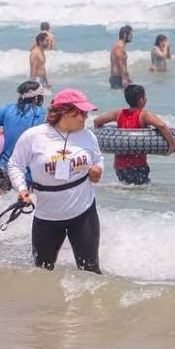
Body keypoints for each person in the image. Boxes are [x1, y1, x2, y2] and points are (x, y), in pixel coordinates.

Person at [8, 88, 104, 274]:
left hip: (83, 213)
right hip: (47, 217)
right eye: (82, 113)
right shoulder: (33, 136)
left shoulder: (87, 136)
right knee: (42, 272)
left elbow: (98, 159)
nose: (86, 118)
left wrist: (98, 171)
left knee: (90, 271)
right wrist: (21, 189)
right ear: (65, 112)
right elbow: (15, 165)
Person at [0, 81, 48, 194]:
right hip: (27, 170)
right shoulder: (42, 114)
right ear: (37, 99)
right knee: (27, 204)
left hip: (3, 166)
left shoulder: (8, 109)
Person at [93, 84, 175, 185]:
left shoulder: (119, 113)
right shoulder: (143, 115)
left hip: (119, 166)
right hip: (138, 166)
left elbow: (97, 121)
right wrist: (172, 145)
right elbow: (161, 126)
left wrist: (103, 137)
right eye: (145, 96)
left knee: (126, 190)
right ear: (141, 99)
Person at [110, 25, 133, 89]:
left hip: (118, 77)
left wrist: (127, 76)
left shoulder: (119, 45)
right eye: (130, 34)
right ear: (125, 35)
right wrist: (123, 78)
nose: (132, 36)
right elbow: (119, 62)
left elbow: (122, 63)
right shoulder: (120, 45)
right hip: (118, 78)